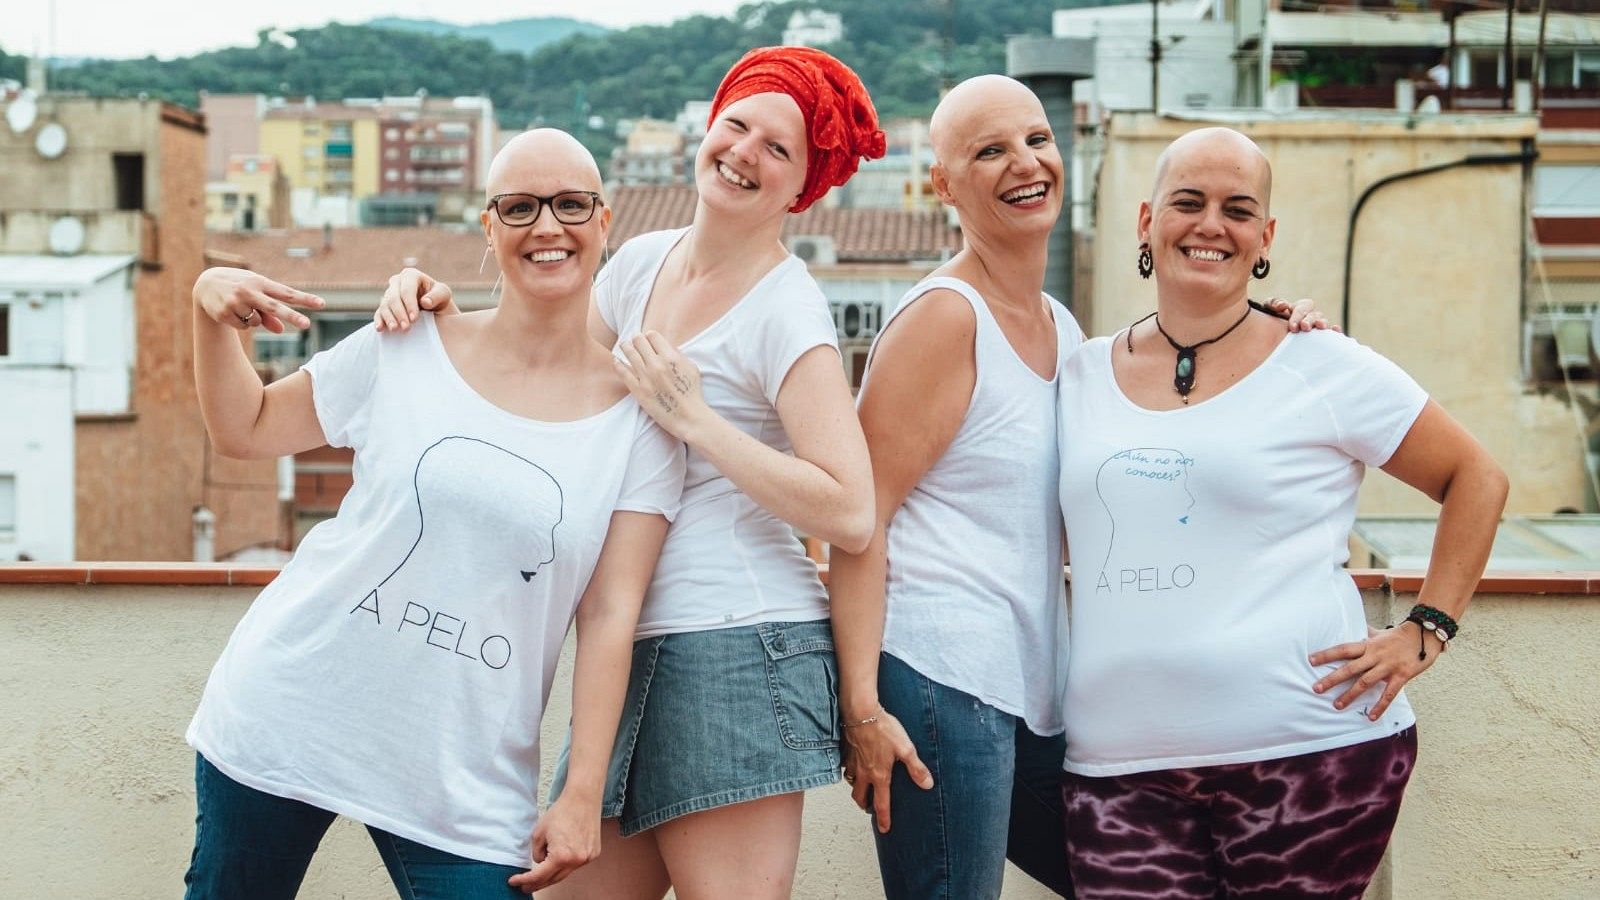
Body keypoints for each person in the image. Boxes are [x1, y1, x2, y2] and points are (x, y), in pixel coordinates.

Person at [374, 46, 882, 900]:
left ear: (802, 188)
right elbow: (554, 376)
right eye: (738, 126)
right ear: (707, 127)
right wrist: (446, 315)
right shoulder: (643, 261)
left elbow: (852, 511)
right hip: (630, 644)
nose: (745, 153)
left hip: (738, 645)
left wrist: (697, 420)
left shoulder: (787, 310)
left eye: (778, 149)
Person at [830, 77, 1330, 900]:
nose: (1025, 163)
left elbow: (1135, 446)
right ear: (944, 185)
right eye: (989, 150)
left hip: (1031, 688)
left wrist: (1272, 321)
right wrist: (860, 708)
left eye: (1036, 139)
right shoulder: (944, 318)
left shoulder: (1058, 326)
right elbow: (857, 522)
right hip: (939, 679)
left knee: (1137, 882)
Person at [182, 129, 686, 900]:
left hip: (464, 777)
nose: (546, 227)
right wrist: (208, 310)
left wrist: (581, 792)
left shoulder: (638, 421)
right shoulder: (406, 341)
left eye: (570, 204)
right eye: (519, 208)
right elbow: (246, 428)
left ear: (604, 219)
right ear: (488, 227)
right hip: (290, 710)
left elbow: (612, 612)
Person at [1054, 126, 1508, 899]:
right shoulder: (1078, 374)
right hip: (1117, 771)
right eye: (1187, 202)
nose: (1210, 226)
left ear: (1264, 236)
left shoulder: (1321, 363)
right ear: (1144, 220)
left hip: (1311, 758)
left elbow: (1476, 476)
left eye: (1237, 210)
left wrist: (1426, 629)